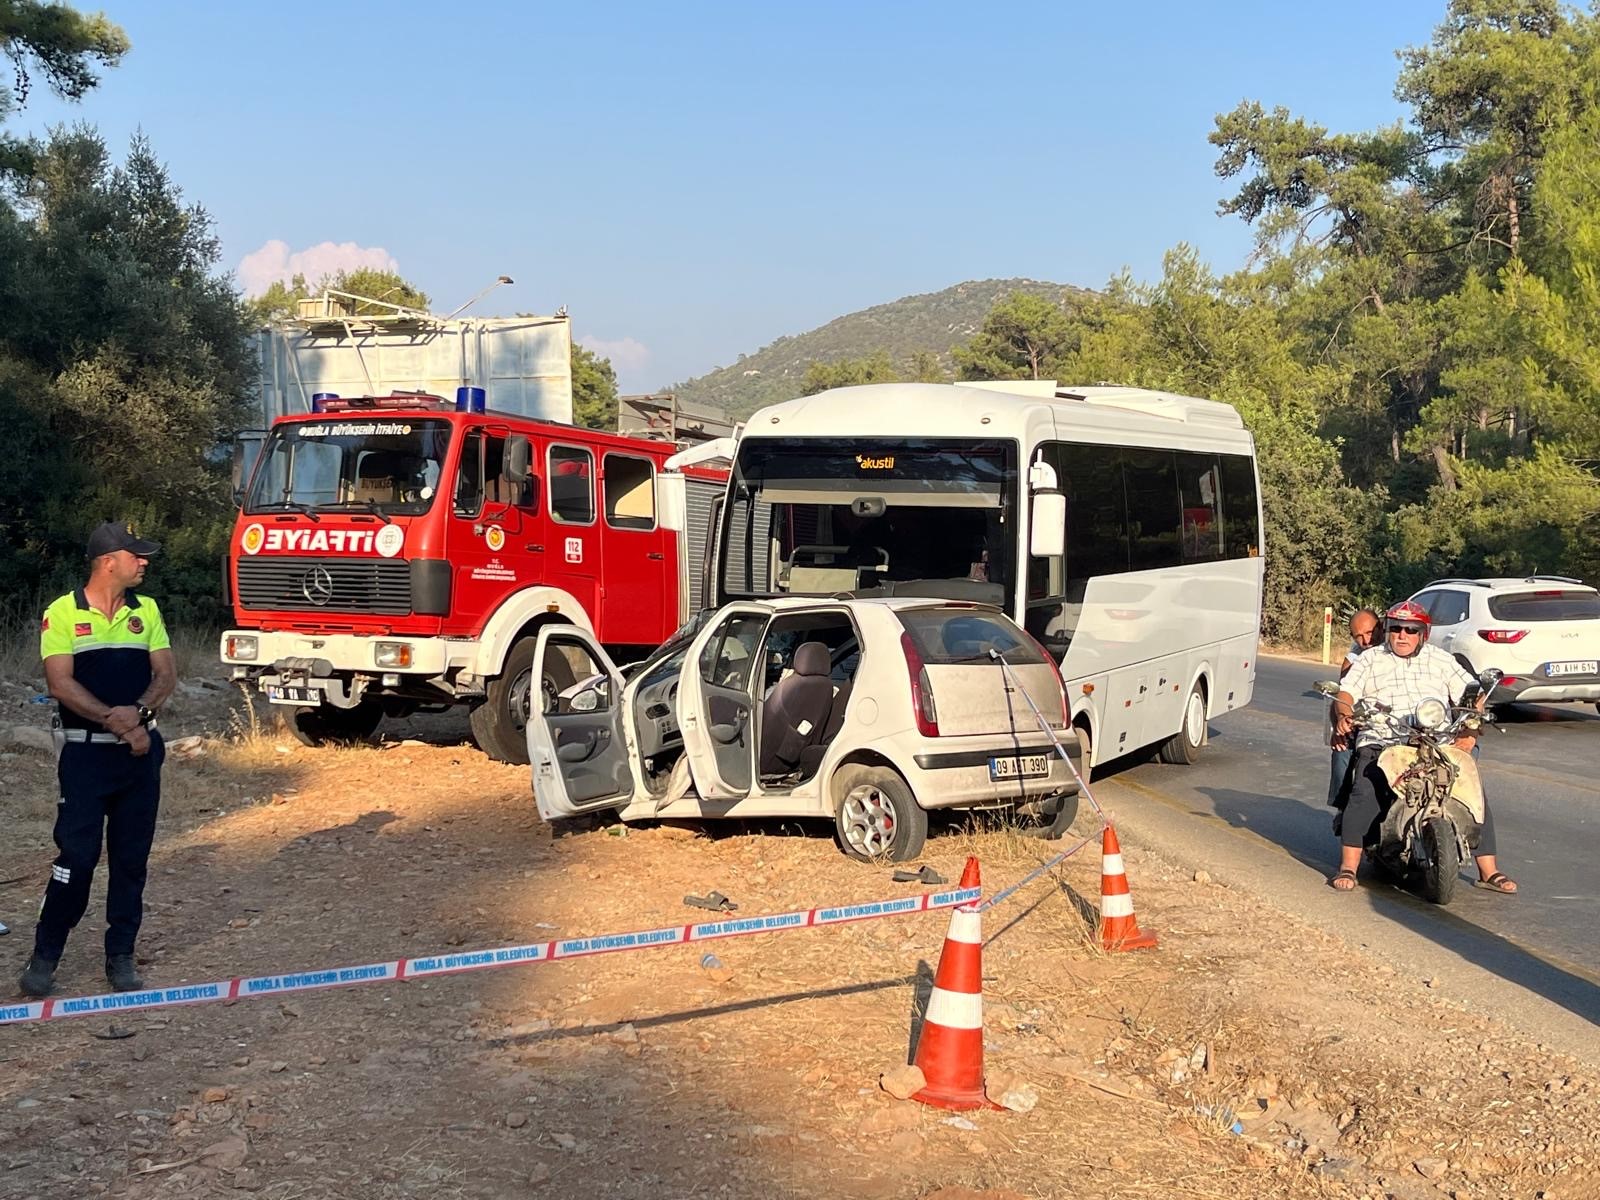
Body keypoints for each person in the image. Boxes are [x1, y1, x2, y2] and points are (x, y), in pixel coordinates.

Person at [16, 522, 175, 997]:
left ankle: (120, 956)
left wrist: (141, 715)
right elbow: (59, 684)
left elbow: (165, 674)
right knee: (77, 859)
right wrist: (118, 721)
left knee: (131, 861)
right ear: (108, 561)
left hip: (140, 757)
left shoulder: (145, 610)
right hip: (86, 756)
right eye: (137, 555)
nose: (144, 562)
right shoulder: (62, 613)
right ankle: (45, 954)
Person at [1328, 599, 1517, 894]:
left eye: (1411, 630)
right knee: (1364, 788)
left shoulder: (1441, 660)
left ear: (1423, 634)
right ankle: (1349, 867)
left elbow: (1472, 695)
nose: (1402, 635)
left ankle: (1488, 870)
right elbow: (1347, 692)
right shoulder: (1369, 659)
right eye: (1397, 629)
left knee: (1471, 789)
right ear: (1388, 630)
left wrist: (1470, 731)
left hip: (1436, 740)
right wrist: (1345, 714)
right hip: (1384, 736)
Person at [1326, 608, 1382, 810]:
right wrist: (1338, 725)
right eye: (1359, 636)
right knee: (1341, 751)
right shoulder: (1355, 657)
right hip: (1363, 722)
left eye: (1369, 633)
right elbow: (1341, 695)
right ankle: (1343, 811)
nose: (1366, 640)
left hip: (1397, 724)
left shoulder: (1396, 651)